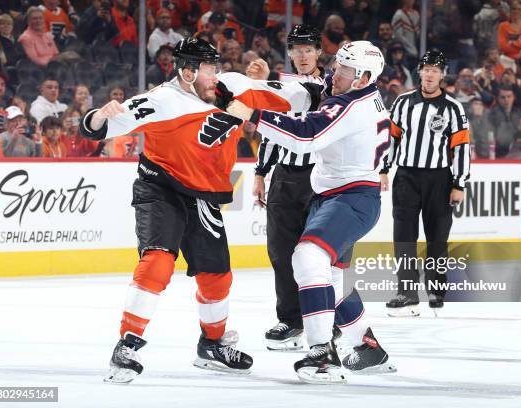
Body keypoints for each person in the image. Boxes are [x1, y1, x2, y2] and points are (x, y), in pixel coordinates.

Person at [78, 37, 315, 383]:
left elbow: (296, 95)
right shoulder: (161, 100)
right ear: (187, 72)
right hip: (160, 188)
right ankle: (127, 344)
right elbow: (95, 129)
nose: (215, 75)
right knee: (158, 261)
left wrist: (333, 87)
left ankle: (212, 346)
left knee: (217, 274)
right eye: (208, 69)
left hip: (203, 194)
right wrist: (101, 114)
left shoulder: (233, 86)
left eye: (216, 68)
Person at [226, 41, 397, 384]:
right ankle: (368, 347)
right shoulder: (364, 97)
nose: (336, 73)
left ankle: (322, 354)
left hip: (350, 199)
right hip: (344, 196)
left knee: (307, 257)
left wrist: (252, 115)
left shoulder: (353, 105)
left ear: (363, 77)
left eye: (345, 70)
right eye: (337, 65)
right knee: (333, 279)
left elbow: (305, 136)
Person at [244, 25, 327, 351]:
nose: (303, 55)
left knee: (323, 256)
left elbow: (312, 92)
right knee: (281, 252)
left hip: (322, 177)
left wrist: (265, 81)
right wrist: (261, 172)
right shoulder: (282, 88)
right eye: (297, 49)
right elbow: (271, 130)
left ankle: (328, 322)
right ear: (290, 53)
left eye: (308, 49)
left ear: (319, 52)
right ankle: (291, 321)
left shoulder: (332, 83)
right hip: (284, 176)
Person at [384, 50, 471, 317]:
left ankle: (436, 289)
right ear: (419, 72)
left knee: (437, 237)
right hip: (406, 177)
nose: (431, 74)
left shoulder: (453, 108)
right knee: (404, 237)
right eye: (427, 69)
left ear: (443, 74)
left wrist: (460, 183)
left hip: (440, 179)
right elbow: (392, 139)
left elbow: (462, 148)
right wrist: (383, 170)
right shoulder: (402, 103)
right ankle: (406, 292)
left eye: (436, 69)